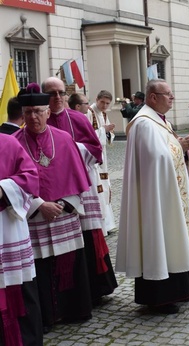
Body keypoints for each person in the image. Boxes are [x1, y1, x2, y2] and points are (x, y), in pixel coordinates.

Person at [14, 84, 93, 333]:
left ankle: (73, 309)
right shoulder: (13, 143)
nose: (33, 117)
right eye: (28, 112)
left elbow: (78, 176)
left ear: (48, 112)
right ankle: (46, 316)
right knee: (40, 268)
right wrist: (39, 205)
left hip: (64, 213)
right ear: (22, 114)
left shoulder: (64, 139)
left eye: (38, 111)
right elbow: (11, 183)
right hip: (33, 217)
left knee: (68, 261)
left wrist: (63, 204)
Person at [116, 79, 189, 314]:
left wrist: (180, 148)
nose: (172, 98)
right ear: (153, 97)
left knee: (172, 237)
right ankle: (160, 297)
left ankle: (180, 289)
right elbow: (155, 159)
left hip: (167, 193)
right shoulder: (144, 124)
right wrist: (179, 147)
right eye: (168, 94)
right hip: (156, 199)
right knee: (161, 239)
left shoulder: (160, 121)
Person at [42, 77, 117, 306]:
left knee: (87, 235)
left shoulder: (77, 118)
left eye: (60, 93)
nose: (57, 98)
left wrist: (71, 150)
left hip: (82, 185)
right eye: (51, 94)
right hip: (54, 190)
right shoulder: (38, 121)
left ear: (66, 95)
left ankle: (95, 288)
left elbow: (96, 149)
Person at [0, 133, 42, 345]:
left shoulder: (8, 143)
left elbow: (31, 176)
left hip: (7, 226)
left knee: (18, 286)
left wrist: (3, 189)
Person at [87, 90, 117, 234]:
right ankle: (101, 225)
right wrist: (103, 130)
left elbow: (109, 136)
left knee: (106, 186)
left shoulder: (104, 114)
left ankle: (109, 223)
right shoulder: (89, 112)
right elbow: (88, 135)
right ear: (97, 99)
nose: (104, 106)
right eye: (102, 102)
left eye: (107, 103)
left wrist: (108, 132)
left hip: (103, 156)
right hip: (93, 157)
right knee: (99, 187)